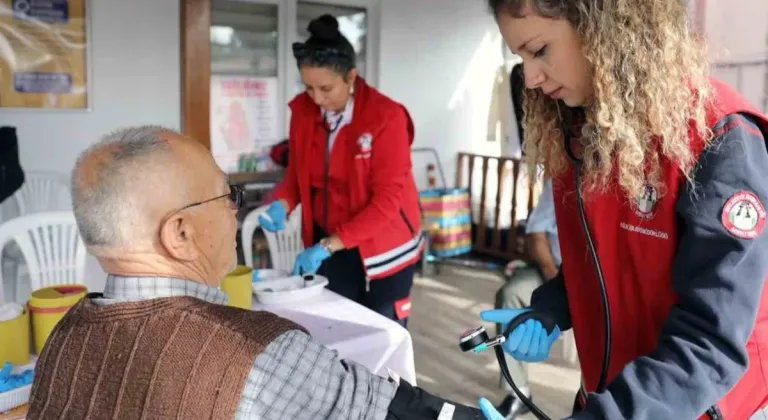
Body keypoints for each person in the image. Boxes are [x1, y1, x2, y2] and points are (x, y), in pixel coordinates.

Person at [26, 125, 493, 420]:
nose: (235, 211)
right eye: (225, 195)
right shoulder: (253, 351)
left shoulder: (63, 337)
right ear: (180, 234)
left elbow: (390, 197)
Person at [478, 1, 768, 419]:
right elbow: (599, 263)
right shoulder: (582, 134)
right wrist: (550, 310)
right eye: (520, 58)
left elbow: (713, 339)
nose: (532, 78)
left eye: (539, 50)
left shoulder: (719, 137)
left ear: (605, 29)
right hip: (609, 396)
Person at [259, 14, 422, 327]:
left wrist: (326, 246)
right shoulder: (304, 112)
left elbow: (386, 202)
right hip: (330, 241)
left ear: (351, 77)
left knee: (380, 333)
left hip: (381, 245)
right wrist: (281, 203)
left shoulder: (386, 118)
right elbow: (298, 175)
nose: (317, 99)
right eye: (308, 88)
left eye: (326, 88)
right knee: (336, 330)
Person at [492, 178, 560, 419]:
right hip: (553, 268)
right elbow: (536, 232)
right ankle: (518, 392)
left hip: (598, 275)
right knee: (510, 295)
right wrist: (553, 278)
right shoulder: (561, 178)